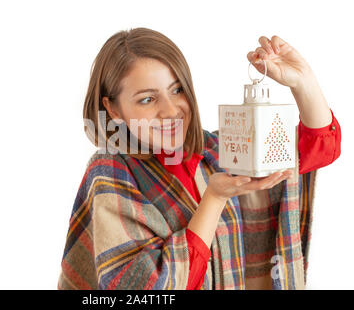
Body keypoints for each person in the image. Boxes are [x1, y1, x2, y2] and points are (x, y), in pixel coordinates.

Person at [57, 28, 341, 290]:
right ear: (113, 109)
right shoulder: (111, 171)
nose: (171, 111)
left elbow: (318, 150)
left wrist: (303, 81)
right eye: (147, 99)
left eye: (177, 90)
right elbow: (146, 288)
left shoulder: (220, 151)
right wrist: (214, 198)